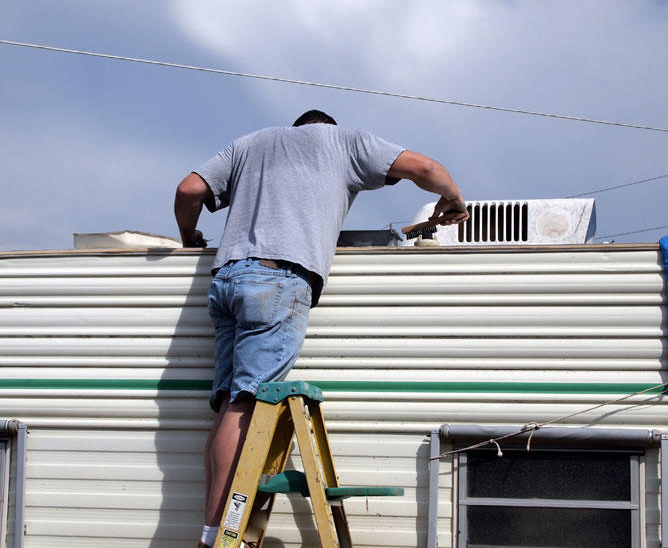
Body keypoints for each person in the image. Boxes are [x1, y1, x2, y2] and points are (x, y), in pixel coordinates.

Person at [174, 109, 468, 548]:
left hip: (227, 279)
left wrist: (188, 235)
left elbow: (188, 189)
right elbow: (426, 169)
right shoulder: (343, 142)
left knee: (229, 407)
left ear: (296, 129)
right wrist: (454, 200)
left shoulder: (251, 142)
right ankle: (218, 536)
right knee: (247, 407)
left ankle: (211, 528)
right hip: (277, 280)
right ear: (324, 129)